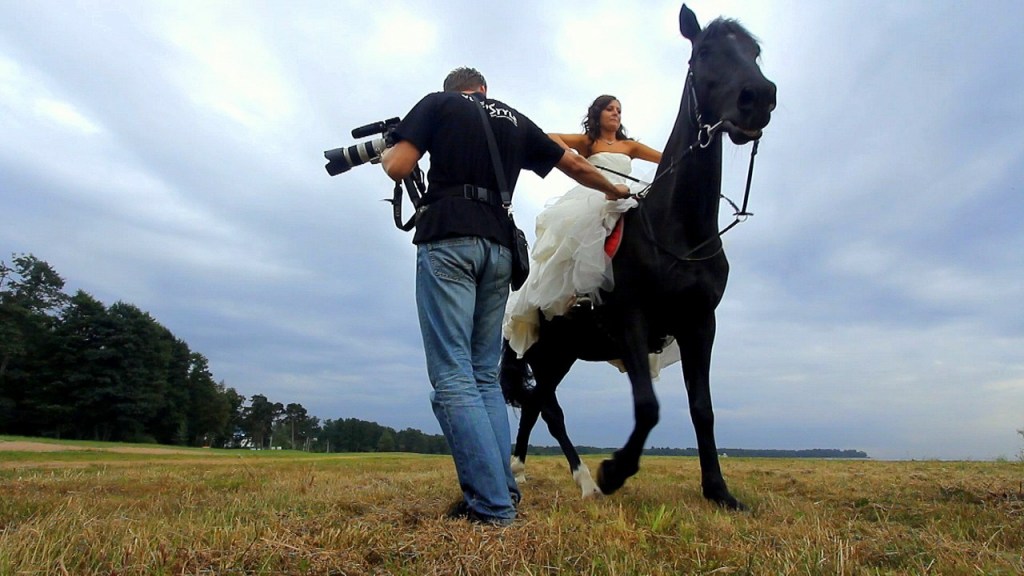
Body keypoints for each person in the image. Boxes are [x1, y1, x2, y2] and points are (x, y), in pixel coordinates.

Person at [380, 68, 628, 526]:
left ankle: (492, 507)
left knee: (453, 376)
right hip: (499, 248)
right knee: (482, 376)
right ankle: (504, 492)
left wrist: (386, 152)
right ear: (484, 90)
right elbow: (575, 165)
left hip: (449, 240)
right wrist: (614, 189)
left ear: (454, 89)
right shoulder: (514, 118)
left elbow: (399, 166)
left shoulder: (437, 103)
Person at [503, 95, 663, 358]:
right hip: (596, 195)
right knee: (587, 231)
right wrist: (574, 157)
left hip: (625, 195)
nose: (616, 113)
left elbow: (664, 158)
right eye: (610, 109)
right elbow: (551, 137)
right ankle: (581, 293)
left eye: (619, 110)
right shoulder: (588, 142)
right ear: (598, 113)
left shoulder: (630, 146)